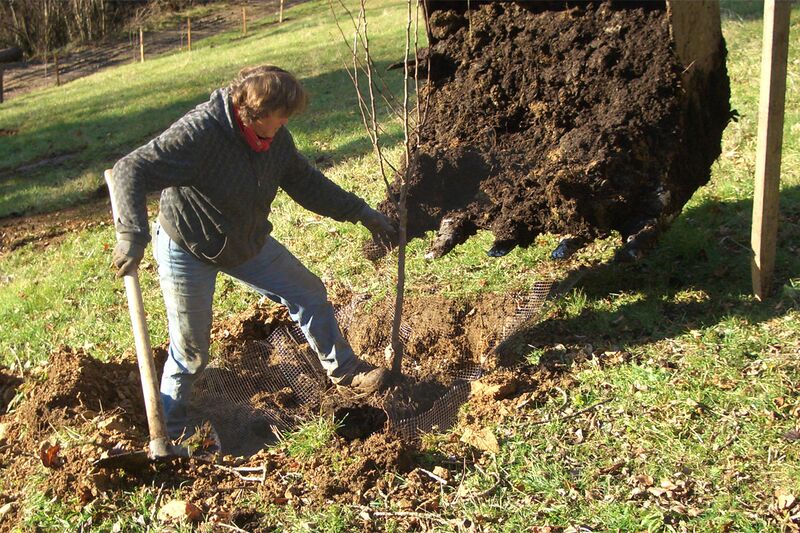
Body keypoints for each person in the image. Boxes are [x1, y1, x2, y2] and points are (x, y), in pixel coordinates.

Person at [108, 65, 396, 440]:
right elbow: (130, 169)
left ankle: (346, 372)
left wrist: (359, 211)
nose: (287, 121)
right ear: (254, 112)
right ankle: (172, 432)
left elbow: (307, 183)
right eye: (282, 115)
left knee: (308, 292)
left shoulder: (273, 139)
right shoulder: (201, 133)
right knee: (191, 350)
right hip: (189, 246)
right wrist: (132, 235)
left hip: (245, 240)